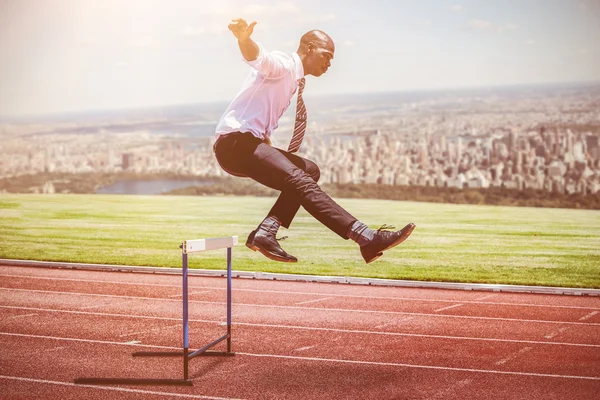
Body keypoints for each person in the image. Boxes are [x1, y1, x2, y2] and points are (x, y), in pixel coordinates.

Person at [213, 18, 415, 264]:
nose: (329, 63)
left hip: (247, 144)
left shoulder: (292, 80)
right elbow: (259, 57)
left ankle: (266, 232)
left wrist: (266, 141)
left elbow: (257, 114)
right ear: (309, 49)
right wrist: (243, 39)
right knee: (300, 179)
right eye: (326, 55)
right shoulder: (285, 65)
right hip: (236, 145)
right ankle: (366, 237)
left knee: (309, 170)